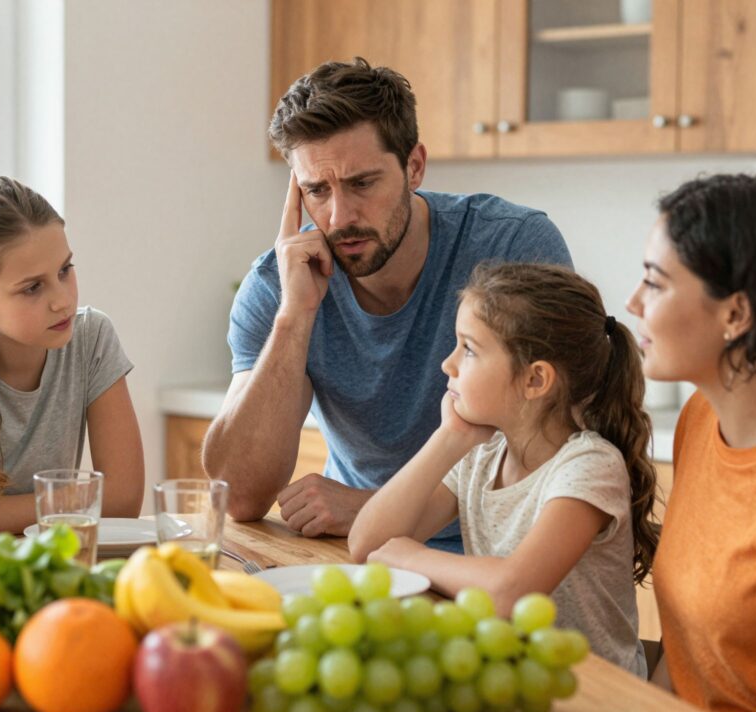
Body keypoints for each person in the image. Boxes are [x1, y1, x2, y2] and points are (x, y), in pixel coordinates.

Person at [202, 58, 572, 552]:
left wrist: (372, 505)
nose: (340, 217)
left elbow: (565, 455)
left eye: (362, 184)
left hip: (499, 553)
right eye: (317, 190)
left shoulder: (514, 246)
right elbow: (239, 496)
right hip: (361, 552)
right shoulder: (278, 284)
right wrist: (295, 317)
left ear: (414, 166)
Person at [350, 262, 657, 676]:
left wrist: (409, 555)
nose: (448, 364)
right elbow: (367, 543)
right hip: (512, 679)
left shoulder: (589, 466)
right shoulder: (481, 455)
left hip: (595, 697)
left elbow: (511, 591)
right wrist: (449, 438)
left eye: (469, 349)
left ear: (535, 380)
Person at [626, 173, 756, 712]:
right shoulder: (702, 418)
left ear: (736, 314)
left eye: (654, 281)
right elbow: (686, 658)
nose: (633, 303)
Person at [0, 176, 145, 534]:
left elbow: (123, 501)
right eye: (33, 287)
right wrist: (77, 502)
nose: (62, 300)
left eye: (65, 270)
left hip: (59, 565)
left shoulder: (90, 336)